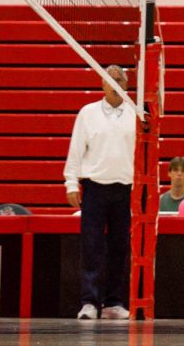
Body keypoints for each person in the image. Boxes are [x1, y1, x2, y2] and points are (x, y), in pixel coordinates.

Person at [64, 65, 136, 321]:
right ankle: (89, 302)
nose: (116, 83)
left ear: (127, 84)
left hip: (125, 189)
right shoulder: (88, 113)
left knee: (119, 247)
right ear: (103, 84)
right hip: (94, 188)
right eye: (111, 79)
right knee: (92, 246)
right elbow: (76, 149)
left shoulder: (137, 114)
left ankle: (113, 302)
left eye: (120, 79)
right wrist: (71, 183)